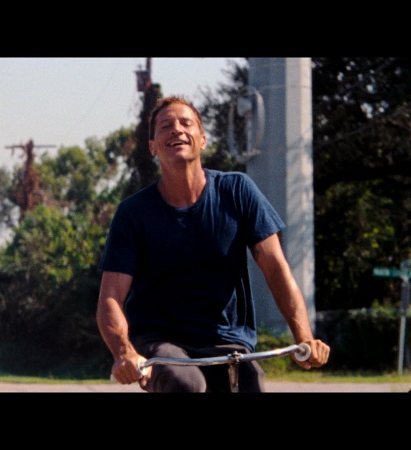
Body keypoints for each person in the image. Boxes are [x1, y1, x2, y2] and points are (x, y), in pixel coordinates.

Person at [96, 95, 330, 392]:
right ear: (153, 146)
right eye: (165, 126)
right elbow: (110, 298)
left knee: (249, 382)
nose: (177, 129)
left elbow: (276, 269)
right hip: (160, 340)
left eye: (186, 123)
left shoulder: (238, 191)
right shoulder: (133, 213)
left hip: (226, 338)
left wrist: (304, 336)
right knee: (185, 383)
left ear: (203, 140)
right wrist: (124, 352)